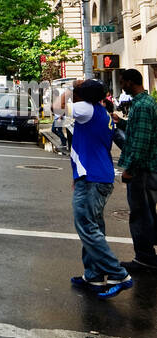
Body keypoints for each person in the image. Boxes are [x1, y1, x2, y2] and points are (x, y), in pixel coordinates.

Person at [55, 78, 132, 297]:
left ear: (82, 95)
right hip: (97, 176)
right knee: (94, 227)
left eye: (78, 90)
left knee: (87, 227)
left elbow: (56, 108)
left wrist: (69, 89)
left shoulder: (85, 108)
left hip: (93, 179)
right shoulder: (101, 112)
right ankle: (94, 276)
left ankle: (118, 274)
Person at [117, 68, 157, 272]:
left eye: (123, 82)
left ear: (131, 82)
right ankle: (148, 256)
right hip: (147, 168)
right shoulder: (144, 103)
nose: (122, 86)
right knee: (147, 212)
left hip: (142, 170)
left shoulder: (142, 106)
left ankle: (145, 258)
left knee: (140, 214)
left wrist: (130, 169)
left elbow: (141, 142)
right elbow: (138, 131)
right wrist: (121, 122)